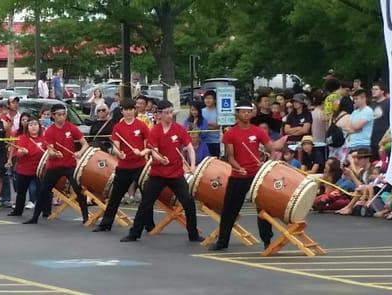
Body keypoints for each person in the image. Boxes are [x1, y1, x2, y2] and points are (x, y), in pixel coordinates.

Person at [120, 100, 204, 243]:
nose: (169, 115)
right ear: (159, 114)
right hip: (158, 173)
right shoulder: (155, 131)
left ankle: (193, 234)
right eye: (166, 113)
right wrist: (161, 159)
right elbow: (154, 151)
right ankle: (134, 233)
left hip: (176, 173)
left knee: (188, 202)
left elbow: (189, 147)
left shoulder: (179, 129)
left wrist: (193, 164)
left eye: (171, 112)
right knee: (146, 203)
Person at [209, 99, 287, 251]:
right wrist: (239, 168)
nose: (245, 114)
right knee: (229, 210)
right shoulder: (230, 133)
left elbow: (272, 150)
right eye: (242, 111)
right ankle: (222, 241)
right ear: (237, 114)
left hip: (256, 176)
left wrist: (266, 166)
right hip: (238, 175)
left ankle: (267, 241)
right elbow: (230, 157)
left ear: (251, 113)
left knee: (263, 210)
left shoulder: (257, 131)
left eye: (248, 111)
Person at [24, 103, 90, 224]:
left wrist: (80, 152)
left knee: (78, 189)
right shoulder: (50, 131)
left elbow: (85, 143)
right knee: (44, 191)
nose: (62, 117)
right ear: (53, 116)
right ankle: (34, 218)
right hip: (55, 166)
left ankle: (86, 217)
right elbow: (49, 150)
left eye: (64, 114)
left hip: (70, 165)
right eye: (59, 115)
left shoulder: (71, 127)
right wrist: (55, 153)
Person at [92, 99, 152, 232]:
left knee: (147, 197)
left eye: (131, 109)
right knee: (115, 197)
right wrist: (120, 154)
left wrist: (142, 152)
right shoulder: (118, 128)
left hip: (140, 166)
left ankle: (149, 225)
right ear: (122, 111)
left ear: (134, 110)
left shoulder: (141, 126)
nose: (129, 112)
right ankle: (105, 224)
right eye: (126, 109)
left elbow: (149, 146)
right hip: (124, 167)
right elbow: (115, 148)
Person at [8, 116, 45, 216]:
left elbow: (47, 153)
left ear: (39, 126)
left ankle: (46, 211)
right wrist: (22, 152)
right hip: (25, 169)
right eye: (31, 125)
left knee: (42, 191)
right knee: (21, 192)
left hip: (39, 169)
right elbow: (18, 154)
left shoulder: (44, 138)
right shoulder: (23, 138)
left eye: (35, 125)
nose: (33, 127)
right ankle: (18, 211)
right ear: (27, 127)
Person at [369, 82, 389, 161]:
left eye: (376, 89)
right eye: (372, 89)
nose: (373, 91)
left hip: (384, 140)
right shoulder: (371, 105)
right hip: (372, 140)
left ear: (382, 91)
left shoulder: (388, 103)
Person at [202, 90, 220, 157]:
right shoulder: (201, 111)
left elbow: (219, 125)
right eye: (206, 98)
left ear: (215, 100)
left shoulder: (219, 111)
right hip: (204, 142)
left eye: (210, 98)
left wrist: (205, 124)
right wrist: (212, 125)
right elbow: (200, 125)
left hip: (216, 141)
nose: (207, 100)